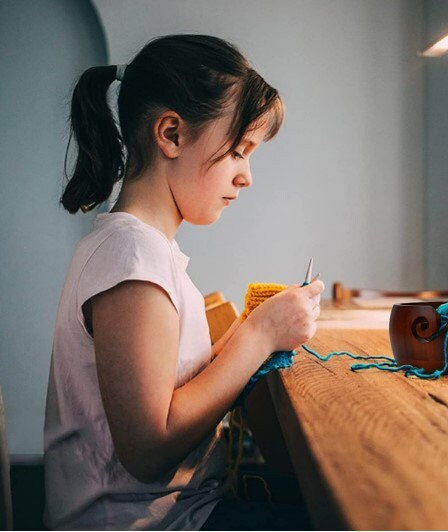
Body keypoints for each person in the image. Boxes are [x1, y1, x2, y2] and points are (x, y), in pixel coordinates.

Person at [43, 34, 324, 530]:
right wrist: (258, 338)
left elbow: (167, 387)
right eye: (239, 151)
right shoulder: (132, 258)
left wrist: (245, 337)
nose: (247, 177)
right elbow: (149, 447)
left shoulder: (146, 251)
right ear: (171, 134)